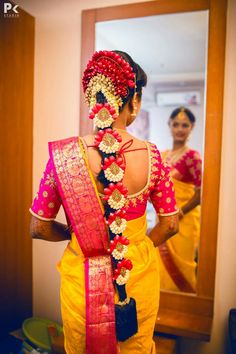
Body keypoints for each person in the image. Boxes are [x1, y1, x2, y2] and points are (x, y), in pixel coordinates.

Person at [29, 50, 179, 354]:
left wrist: (78, 236)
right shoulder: (153, 157)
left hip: (82, 279)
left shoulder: (64, 157)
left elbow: (39, 228)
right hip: (135, 278)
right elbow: (171, 223)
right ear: (133, 100)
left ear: (92, 100)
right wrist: (137, 242)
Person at [159, 107, 202, 293]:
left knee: (183, 264)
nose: (180, 129)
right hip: (163, 219)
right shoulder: (162, 155)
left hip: (185, 221)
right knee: (159, 263)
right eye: (175, 124)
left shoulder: (194, 158)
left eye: (185, 125)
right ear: (169, 126)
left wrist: (179, 213)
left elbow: (200, 194)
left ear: (191, 127)